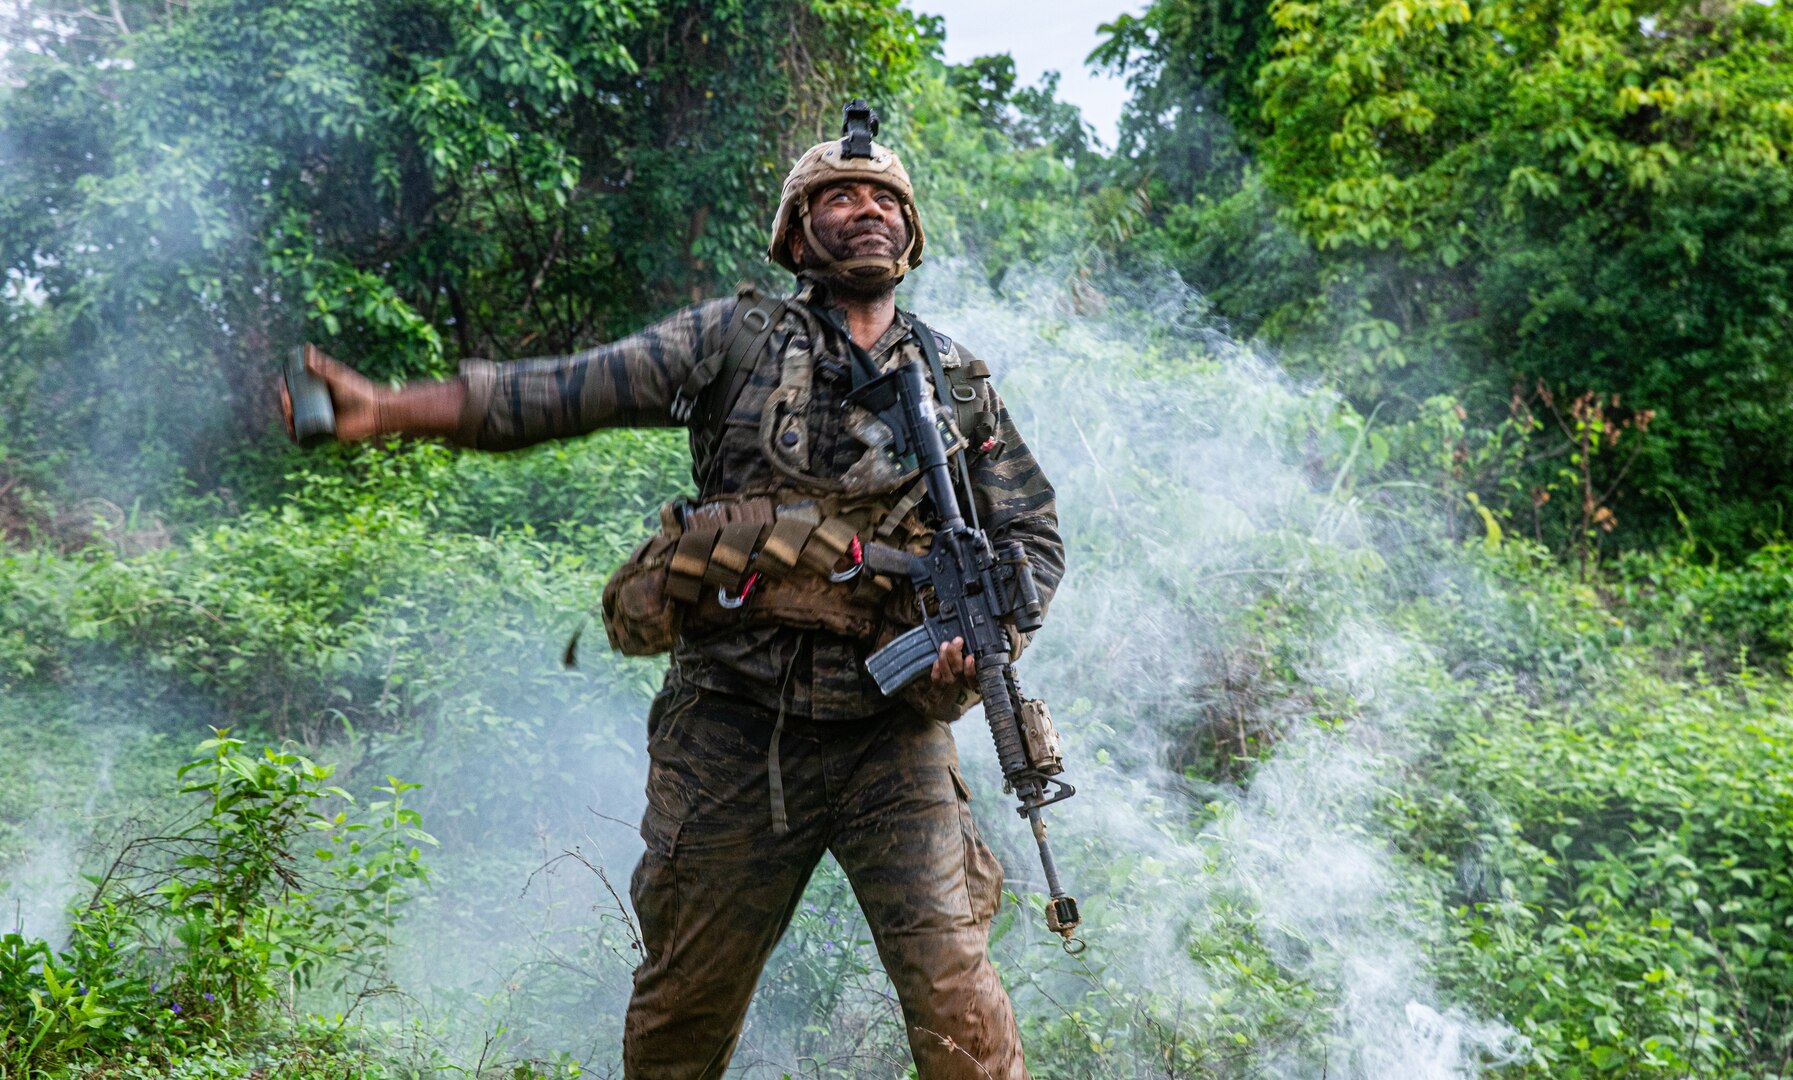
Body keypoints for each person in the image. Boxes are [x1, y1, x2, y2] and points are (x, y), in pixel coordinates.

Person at [283, 109, 1062, 1080]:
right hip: (732, 728)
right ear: (796, 231)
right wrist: (388, 409)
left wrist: (987, 630)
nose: (866, 211)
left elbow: (1029, 533)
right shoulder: (730, 339)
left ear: (909, 233)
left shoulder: (957, 384)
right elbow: (565, 392)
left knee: (959, 1008)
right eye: (839, 196)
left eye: (884, 199)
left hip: (890, 735)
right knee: (684, 1012)